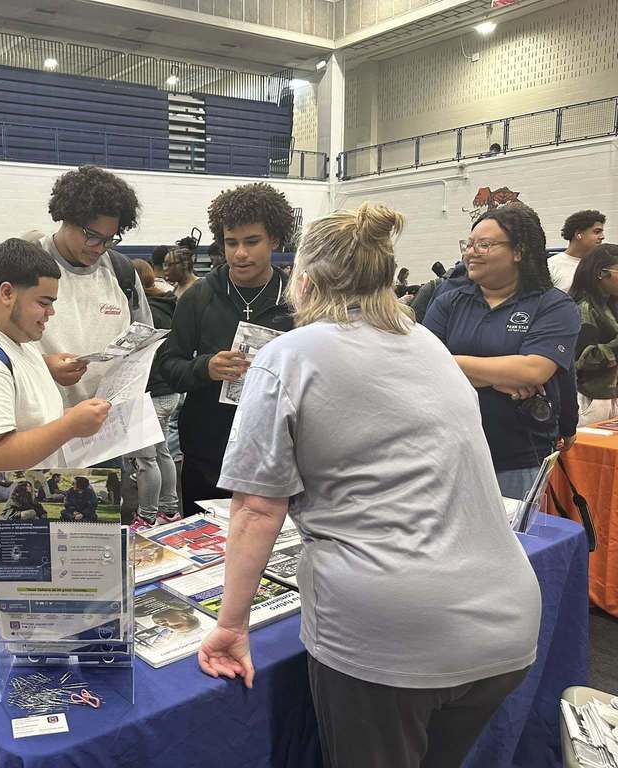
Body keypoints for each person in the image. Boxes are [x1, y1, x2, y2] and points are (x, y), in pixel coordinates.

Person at [199, 204, 541, 768]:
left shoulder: (288, 356)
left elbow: (258, 509)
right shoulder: (427, 342)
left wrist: (230, 626)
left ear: (302, 283)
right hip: (504, 624)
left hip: (392, 632)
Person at [0, 238, 110, 579]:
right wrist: (70, 425)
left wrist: (45, 367)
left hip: (18, 539)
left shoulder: (10, 340)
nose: (50, 313)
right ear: (7, 293)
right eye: (44, 303)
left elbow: (8, 382)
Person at [424, 204, 580, 499]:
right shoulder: (449, 302)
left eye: (484, 245)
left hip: (517, 457)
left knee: (514, 541)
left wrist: (449, 364)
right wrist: (500, 376)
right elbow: (421, 366)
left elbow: (535, 370)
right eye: (468, 244)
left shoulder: (553, 306)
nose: (471, 252)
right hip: (449, 450)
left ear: (519, 251)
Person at [158, 183, 295, 517]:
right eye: (231, 243)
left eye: (252, 242)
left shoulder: (295, 300)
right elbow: (168, 366)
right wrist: (206, 368)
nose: (240, 254)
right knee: (203, 545)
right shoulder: (199, 297)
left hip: (275, 447)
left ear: (274, 239)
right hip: (208, 451)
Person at [9, 165, 153, 405]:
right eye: (92, 235)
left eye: (109, 239)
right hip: (43, 425)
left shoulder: (122, 273)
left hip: (107, 425)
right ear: (66, 217)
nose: (99, 247)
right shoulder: (21, 265)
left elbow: (143, 343)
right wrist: (42, 365)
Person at [130, 259, 180, 529]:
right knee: (162, 453)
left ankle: (147, 516)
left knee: (146, 459)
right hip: (170, 391)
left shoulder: (144, 312)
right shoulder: (169, 305)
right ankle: (170, 510)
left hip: (150, 391)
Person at [569, 243, 618, 425]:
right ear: (600, 273)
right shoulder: (583, 308)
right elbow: (584, 360)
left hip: (610, 395)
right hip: (591, 399)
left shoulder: (610, 304)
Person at [549, 210, 606, 292]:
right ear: (578, 234)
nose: (602, 237)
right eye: (597, 232)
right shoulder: (552, 265)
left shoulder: (604, 265)